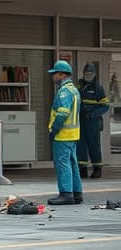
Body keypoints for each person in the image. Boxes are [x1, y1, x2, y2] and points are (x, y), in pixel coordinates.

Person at [47, 60, 83, 205]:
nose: (52, 76)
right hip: (73, 135)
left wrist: (54, 129)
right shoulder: (74, 90)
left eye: (54, 73)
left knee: (63, 164)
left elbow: (62, 114)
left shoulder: (64, 92)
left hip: (62, 135)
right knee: (72, 164)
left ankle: (66, 194)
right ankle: (77, 193)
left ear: (61, 74)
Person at [77, 63, 109, 179]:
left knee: (93, 144)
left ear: (94, 74)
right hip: (81, 120)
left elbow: (105, 106)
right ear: (83, 74)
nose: (88, 76)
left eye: (90, 74)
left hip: (92, 122)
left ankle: (97, 168)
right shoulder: (79, 86)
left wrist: (92, 114)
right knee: (80, 145)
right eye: (86, 74)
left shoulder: (98, 88)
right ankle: (82, 169)